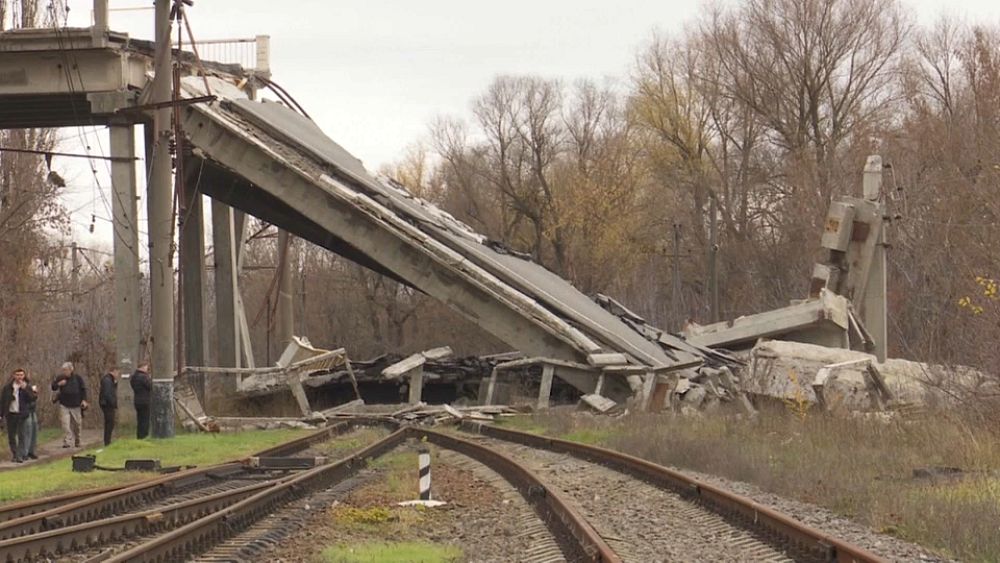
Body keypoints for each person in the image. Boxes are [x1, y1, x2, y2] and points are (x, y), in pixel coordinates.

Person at [1, 369, 37, 462]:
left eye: (21, 375)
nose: (19, 377)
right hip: (11, 414)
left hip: (22, 414)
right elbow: (3, 401)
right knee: (11, 436)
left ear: (24, 376)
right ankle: (15, 454)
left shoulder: (27, 386)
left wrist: (26, 389)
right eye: (17, 375)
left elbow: (33, 398)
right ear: (13, 375)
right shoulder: (7, 388)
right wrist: (1, 415)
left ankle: (19, 455)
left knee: (22, 435)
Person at [51, 362, 88, 448]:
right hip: (64, 404)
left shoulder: (78, 378)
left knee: (77, 424)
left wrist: (84, 400)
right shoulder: (60, 378)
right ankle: (67, 441)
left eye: (66, 370)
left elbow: (83, 389)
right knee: (65, 424)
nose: (64, 372)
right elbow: (53, 387)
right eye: (63, 370)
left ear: (71, 370)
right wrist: (59, 384)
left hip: (76, 404)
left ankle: (78, 440)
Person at [130, 362, 152, 439]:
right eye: (146, 367)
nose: (147, 369)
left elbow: (133, 386)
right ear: (142, 367)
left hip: (137, 400)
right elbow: (150, 386)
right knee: (145, 420)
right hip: (145, 401)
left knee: (139, 420)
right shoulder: (143, 377)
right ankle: (144, 436)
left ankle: (139, 436)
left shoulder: (133, 377)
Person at [98, 367, 119, 446]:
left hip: (107, 403)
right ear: (113, 371)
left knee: (110, 422)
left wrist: (115, 384)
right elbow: (107, 393)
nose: (118, 375)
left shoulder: (110, 380)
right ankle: (107, 441)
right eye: (117, 373)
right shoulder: (107, 380)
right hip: (107, 404)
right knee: (110, 422)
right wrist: (113, 403)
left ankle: (108, 440)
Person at [23, 372, 39, 460]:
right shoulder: (21, 387)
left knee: (34, 430)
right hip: (26, 410)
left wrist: (35, 394)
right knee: (27, 431)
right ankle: (24, 452)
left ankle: (31, 451)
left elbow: (33, 398)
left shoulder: (29, 386)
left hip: (32, 410)